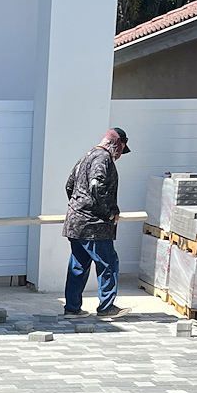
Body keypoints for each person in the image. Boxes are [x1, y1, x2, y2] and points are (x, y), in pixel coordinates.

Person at [63, 127, 133, 320]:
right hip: (94, 225)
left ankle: (72, 308)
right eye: (121, 150)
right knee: (108, 263)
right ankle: (107, 307)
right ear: (117, 144)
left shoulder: (86, 156)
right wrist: (108, 212)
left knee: (78, 265)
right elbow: (96, 185)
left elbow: (69, 185)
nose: (119, 156)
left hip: (76, 222)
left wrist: (78, 207)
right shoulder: (103, 158)